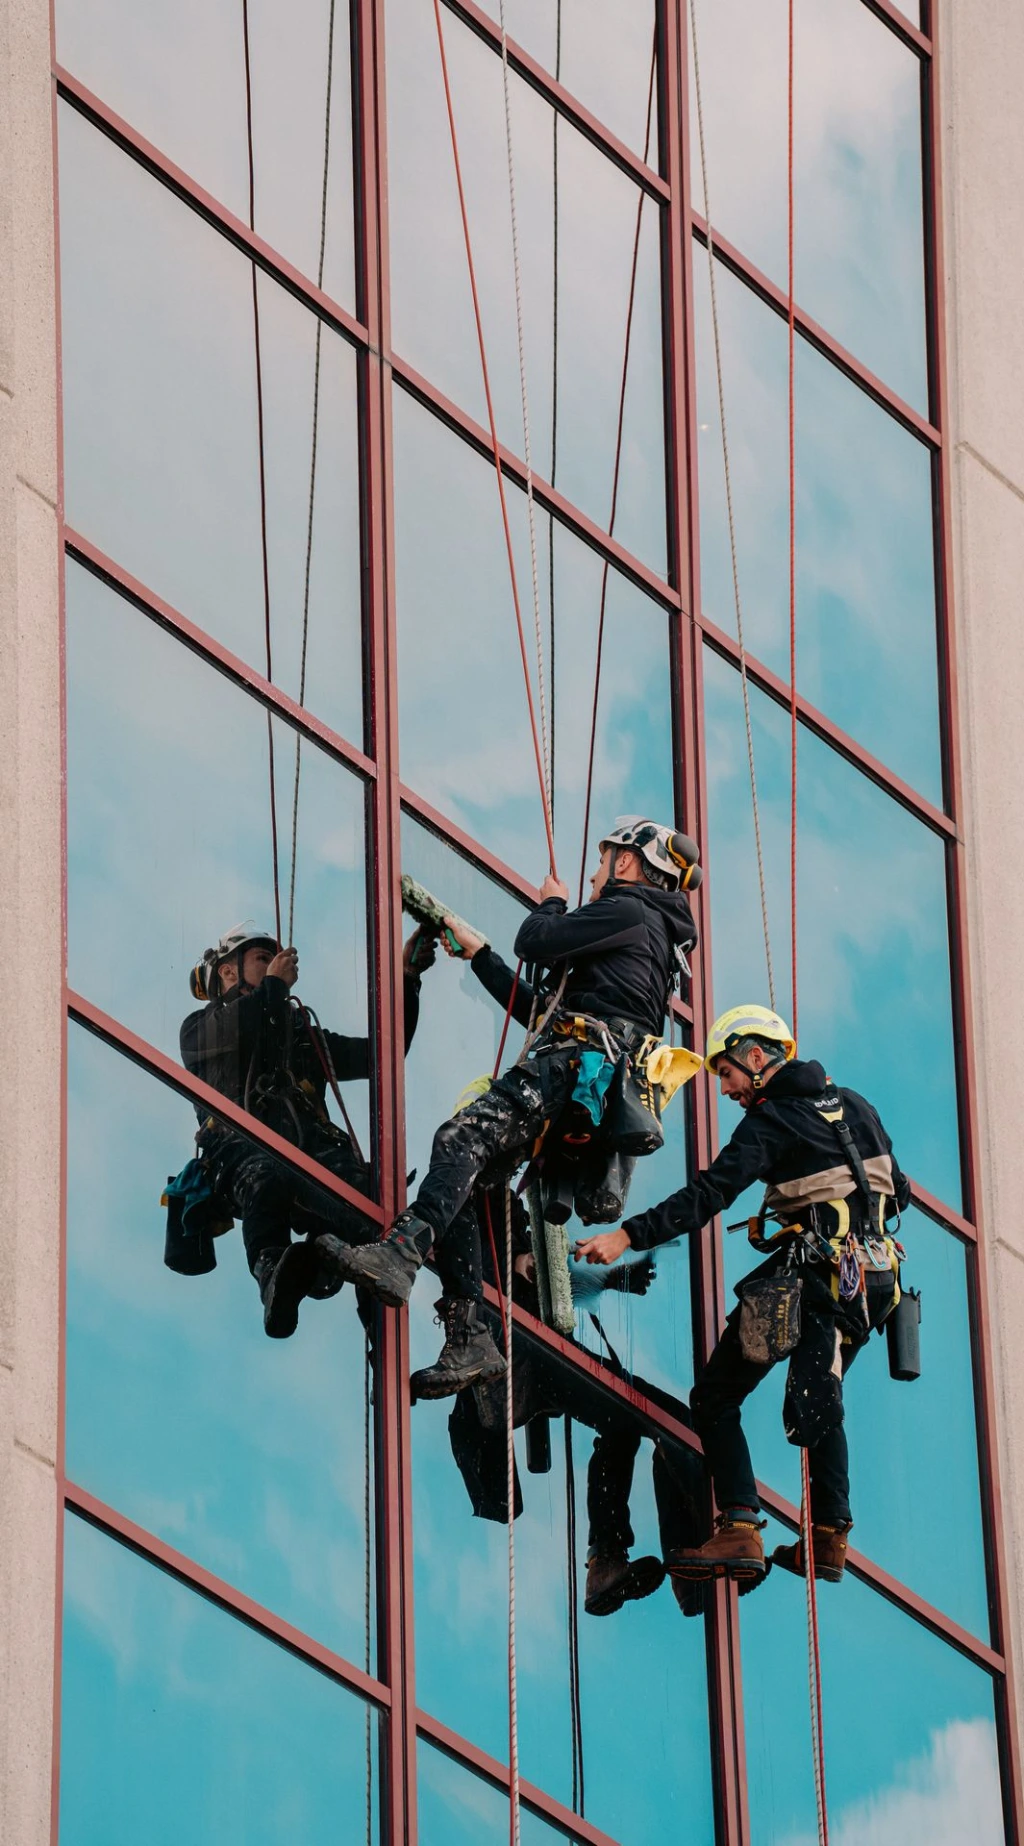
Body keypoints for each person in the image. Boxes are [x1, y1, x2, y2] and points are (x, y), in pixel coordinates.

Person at [338, 818, 701, 1396]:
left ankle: (403, 1253)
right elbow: (544, 1011)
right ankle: (470, 1336)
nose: (594, 872)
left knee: (459, 1140)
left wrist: (552, 904)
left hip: (574, 1071)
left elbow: (535, 940)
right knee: (474, 1184)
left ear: (629, 863)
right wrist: (478, 955)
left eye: (604, 859)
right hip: (582, 1072)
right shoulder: (644, 939)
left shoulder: (632, 911)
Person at [576, 1004, 911, 1586]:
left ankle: (739, 1524)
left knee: (713, 1398)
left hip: (818, 1279)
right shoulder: (858, 1105)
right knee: (818, 1390)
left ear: (758, 1057)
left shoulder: (771, 1119)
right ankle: (830, 1536)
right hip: (875, 1284)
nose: (727, 1088)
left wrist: (629, 1234)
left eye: (728, 1073)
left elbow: (710, 1193)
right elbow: (897, 1191)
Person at [179, 922, 435, 1338]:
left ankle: (334, 1269)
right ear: (228, 971)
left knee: (369, 1201)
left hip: (312, 1150)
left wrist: (408, 981)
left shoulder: (301, 1037)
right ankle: (273, 1270)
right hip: (242, 1151)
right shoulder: (200, 1028)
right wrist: (274, 988)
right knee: (265, 1172)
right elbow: (248, 1025)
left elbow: (384, 1054)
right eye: (263, 959)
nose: (276, 964)